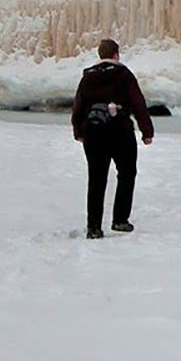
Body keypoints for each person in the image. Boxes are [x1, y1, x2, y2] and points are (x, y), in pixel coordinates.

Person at [70, 39, 154, 239]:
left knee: (96, 178)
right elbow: (137, 103)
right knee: (126, 172)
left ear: (100, 55)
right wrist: (146, 130)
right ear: (116, 54)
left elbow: (79, 105)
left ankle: (94, 227)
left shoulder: (88, 77)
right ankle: (120, 219)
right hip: (120, 131)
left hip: (94, 132)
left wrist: (78, 130)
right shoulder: (123, 75)